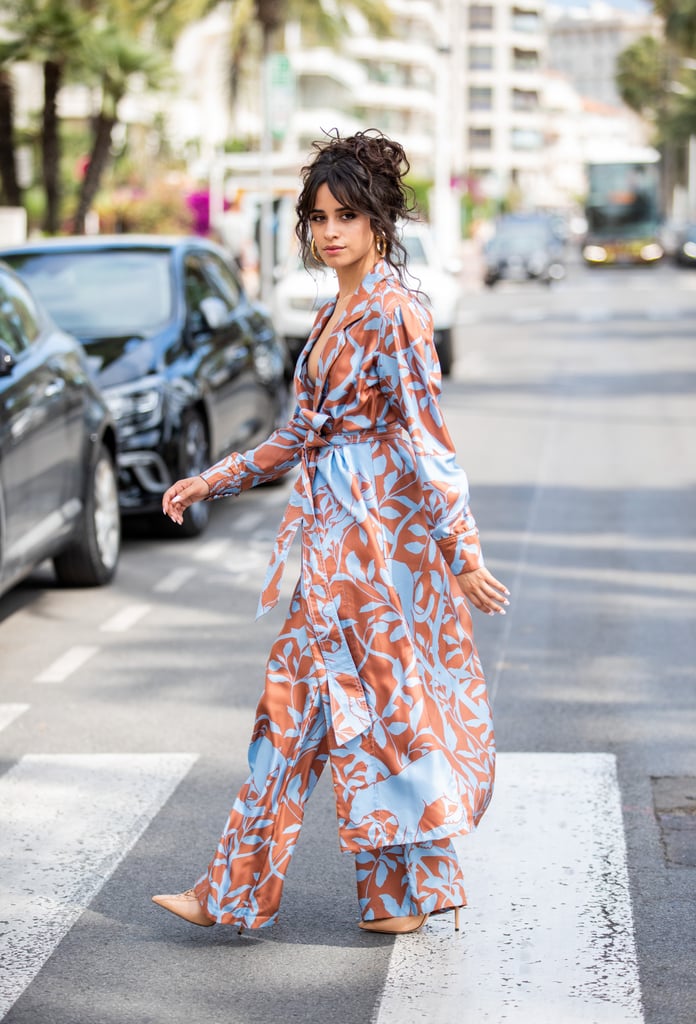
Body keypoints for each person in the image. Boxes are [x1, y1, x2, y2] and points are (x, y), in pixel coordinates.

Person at [153, 130, 508, 936]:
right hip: (330, 544)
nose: (330, 231)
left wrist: (461, 552)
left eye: (346, 214)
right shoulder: (335, 309)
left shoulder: (396, 312)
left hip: (376, 555)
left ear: (379, 219)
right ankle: (391, 897)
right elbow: (299, 435)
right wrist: (216, 476)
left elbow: (427, 441)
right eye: (318, 217)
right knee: (331, 715)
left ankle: (251, 894)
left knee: (340, 712)